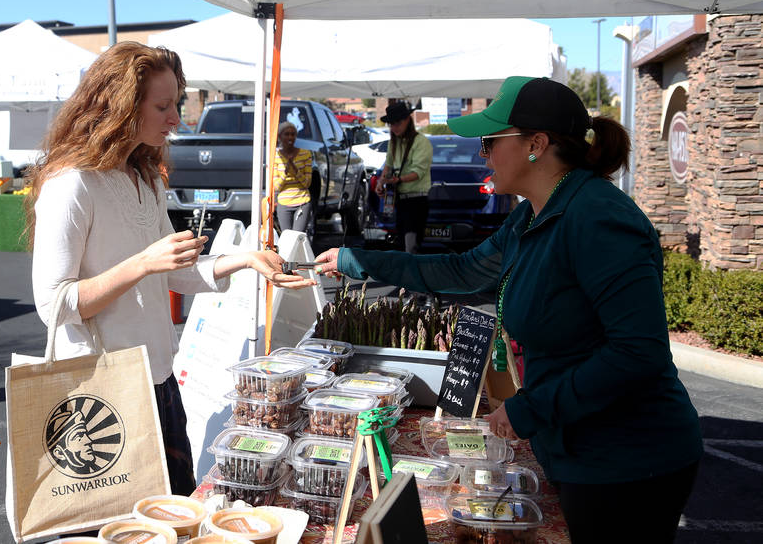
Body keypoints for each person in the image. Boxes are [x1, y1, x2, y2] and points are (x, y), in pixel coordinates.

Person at [315, 76, 702, 544]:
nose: (483, 154)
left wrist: (531, 407)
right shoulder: (531, 214)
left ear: (536, 144)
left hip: (628, 460)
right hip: (572, 446)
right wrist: (356, 260)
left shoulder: (600, 217)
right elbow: (461, 271)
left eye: (490, 141)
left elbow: (639, 353)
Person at [26, 41, 314, 496]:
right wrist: (141, 264)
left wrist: (245, 259)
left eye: (176, 103)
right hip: (99, 397)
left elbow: (174, 273)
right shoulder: (71, 184)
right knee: (112, 526)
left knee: (174, 511)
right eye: (162, 106)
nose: (176, 118)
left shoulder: (144, 178)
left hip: (158, 377)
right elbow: (55, 304)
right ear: (119, 105)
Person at [376, 101, 432, 253]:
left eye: (397, 123)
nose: (394, 127)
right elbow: (388, 164)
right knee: (400, 244)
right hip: (400, 199)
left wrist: (397, 180)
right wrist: (381, 183)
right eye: (391, 124)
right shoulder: (393, 142)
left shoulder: (421, 142)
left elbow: (418, 173)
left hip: (416, 200)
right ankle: (404, 275)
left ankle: (410, 275)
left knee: (411, 246)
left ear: (408, 120)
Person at [273, 120, 314, 234]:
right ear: (280, 137)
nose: (290, 137)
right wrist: (285, 173)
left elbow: (307, 183)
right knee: (286, 238)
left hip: (302, 201)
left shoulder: (305, 154)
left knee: (297, 237)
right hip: (284, 203)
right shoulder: (275, 157)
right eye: (286, 134)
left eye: (293, 134)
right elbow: (277, 187)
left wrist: (295, 171)